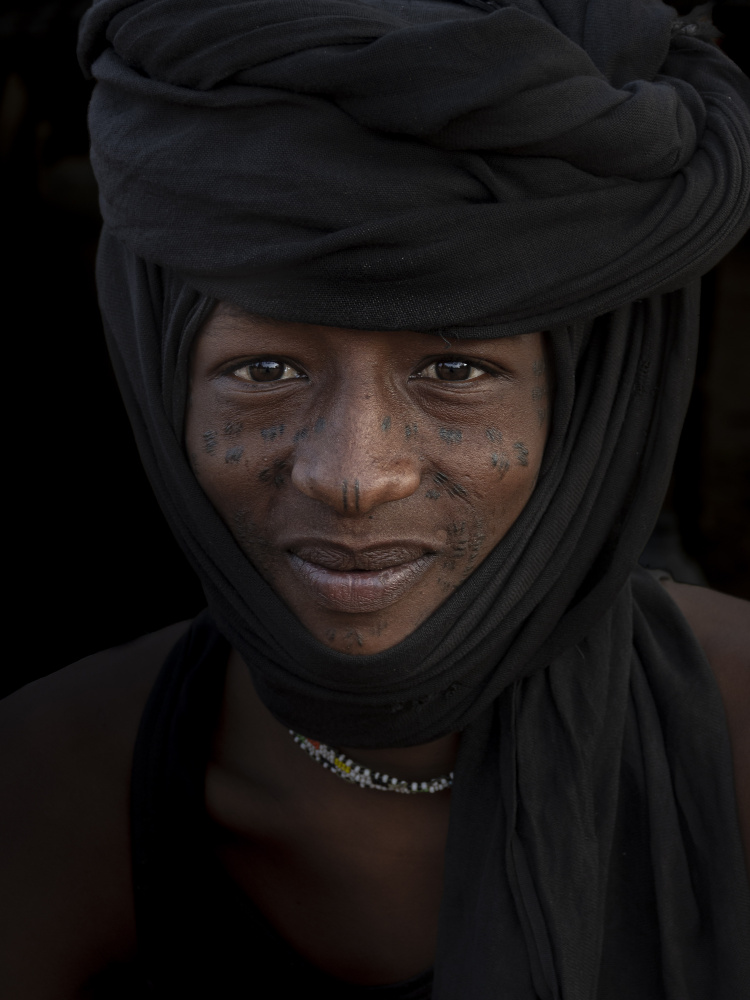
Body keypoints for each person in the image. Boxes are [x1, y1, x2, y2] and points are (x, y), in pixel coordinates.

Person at [2, 0, 749, 997]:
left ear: (588, 406)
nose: (353, 477)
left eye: (455, 370)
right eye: (265, 370)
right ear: (157, 375)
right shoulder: (49, 782)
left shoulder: (740, 732)